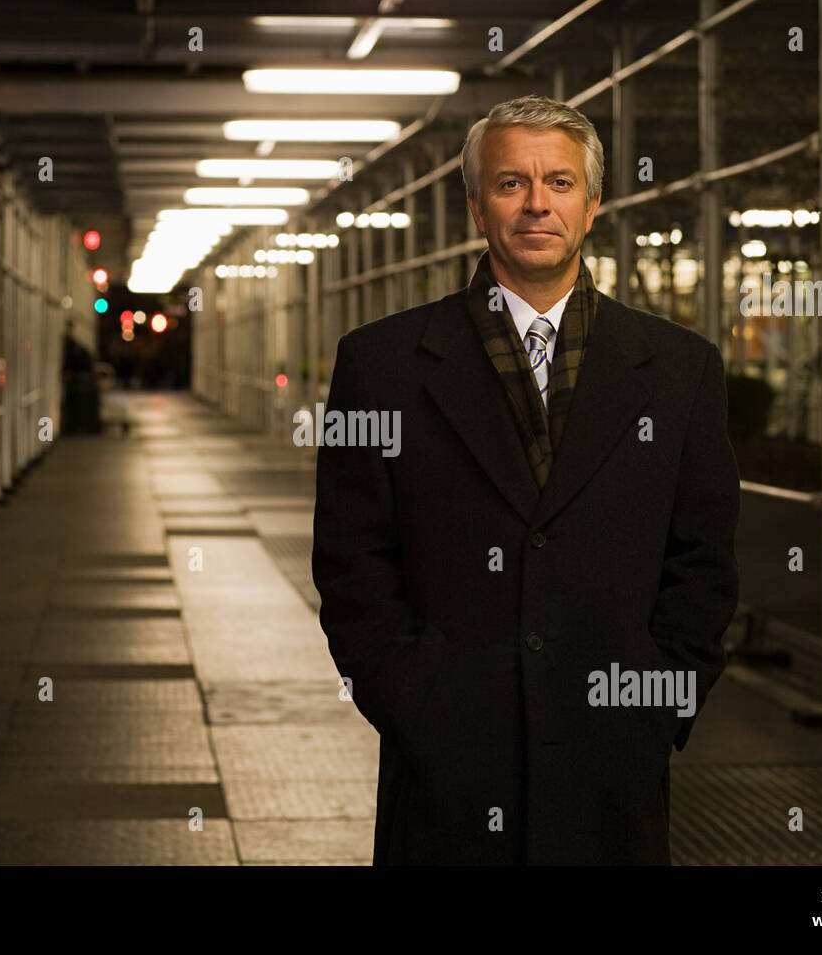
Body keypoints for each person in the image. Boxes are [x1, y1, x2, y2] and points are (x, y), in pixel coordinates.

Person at [311, 94, 741, 864]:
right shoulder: (379, 365)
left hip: (613, 760)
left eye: (560, 183)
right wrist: (414, 704)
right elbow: (350, 561)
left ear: (594, 203)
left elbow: (704, 562)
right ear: (477, 206)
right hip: (447, 764)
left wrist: (655, 706)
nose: (537, 203)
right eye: (512, 183)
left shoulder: (681, 371)